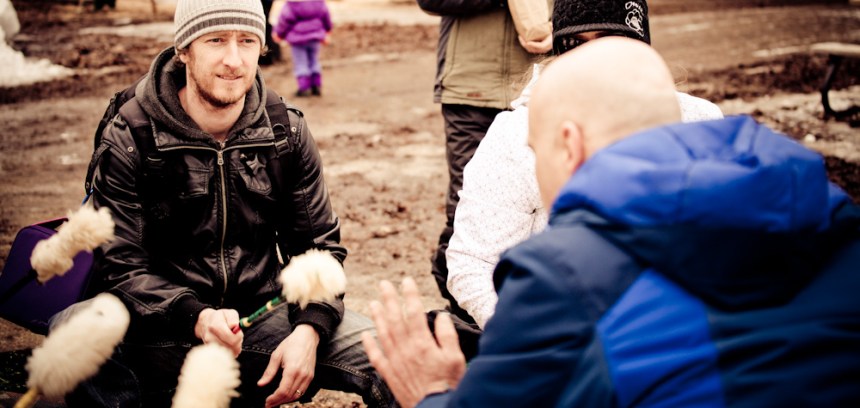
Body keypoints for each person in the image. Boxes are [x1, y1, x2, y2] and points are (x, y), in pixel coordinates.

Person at [362, 37, 860, 407]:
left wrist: (431, 394)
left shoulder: (563, 275)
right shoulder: (830, 218)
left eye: (536, 149)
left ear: (569, 145)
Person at [52, 1, 394, 407]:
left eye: (247, 41)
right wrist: (197, 316)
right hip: (158, 327)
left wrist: (309, 330)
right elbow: (122, 265)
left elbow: (319, 248)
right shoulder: (131, 135)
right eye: (216, 40)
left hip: (257, 320)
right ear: (184, 49)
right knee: (73, 326)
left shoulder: (285, 129)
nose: (234, 60)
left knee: (396, 358)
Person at [446, 0, 724, 329]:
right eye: (574, 44)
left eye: (609, 41)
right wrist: (529, 336)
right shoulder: (517, 133)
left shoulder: (698, 121)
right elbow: (474, 261)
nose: (591, 58)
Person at [416, 0, 551, 325]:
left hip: (541, 90)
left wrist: (561, 31)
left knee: (545, 210)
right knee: (466, 211)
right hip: (470, 90)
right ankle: (466, 318)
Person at [272, 0, 332, 97]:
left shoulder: (293, 3)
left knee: (301, 62)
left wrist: (279, 33)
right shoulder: (318, 2)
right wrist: (328, 29)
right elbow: (326, 15)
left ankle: (304, 87)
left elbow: (285, 20)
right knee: (314, 60)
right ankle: (316, 85)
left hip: (298, 39)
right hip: (315, 38)